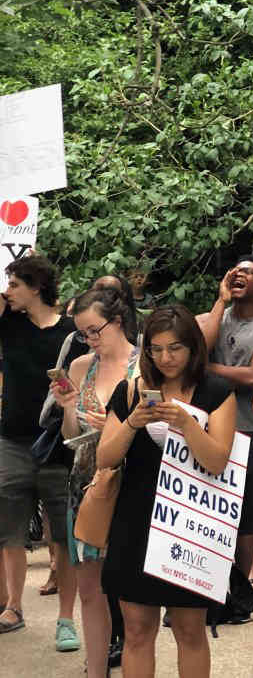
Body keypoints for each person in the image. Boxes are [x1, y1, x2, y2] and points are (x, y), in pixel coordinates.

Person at [96, 304, 236, 677]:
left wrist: (187, 425)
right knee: (137, 630)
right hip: (136, 520)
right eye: (156, 349)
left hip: (189, 523)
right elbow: (105, 458)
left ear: (192, 347)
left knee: (190, 630)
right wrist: (132, 423)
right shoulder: (131, 391)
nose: (165, 358)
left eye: (174, 348)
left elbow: (218, 461)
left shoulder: (215, 391)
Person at [52, 288, 138, 677]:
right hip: (86, 484)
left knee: (132, 597)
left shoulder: (143, 365)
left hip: (132, 483)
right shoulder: (80, 366)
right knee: (90, 589)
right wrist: (70, 408)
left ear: (117, 321)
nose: (89, 339)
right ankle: (97, 668)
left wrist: (118, 429)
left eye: (94, 330)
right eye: (83, 333)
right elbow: (70, 436)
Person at [0, 254, 79, 643]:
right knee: (9, 530)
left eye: (15, 284)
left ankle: (66, 619)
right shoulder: (8, 324)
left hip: (57, 443)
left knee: (62, 534)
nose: (8, 290)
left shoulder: (71, 333)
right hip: (12, 440)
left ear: (36, 287)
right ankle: (13, 606)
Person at [198, 256, 253, 591]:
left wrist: (205, 370)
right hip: (206, 425)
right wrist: (220, 301)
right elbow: (199, 349)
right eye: (236, 270)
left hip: (249, 428)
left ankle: (240, 586)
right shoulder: (213, 318)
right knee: (205, 506)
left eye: (248, 272)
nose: (239, 275)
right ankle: (205, 579)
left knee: (246, 510)